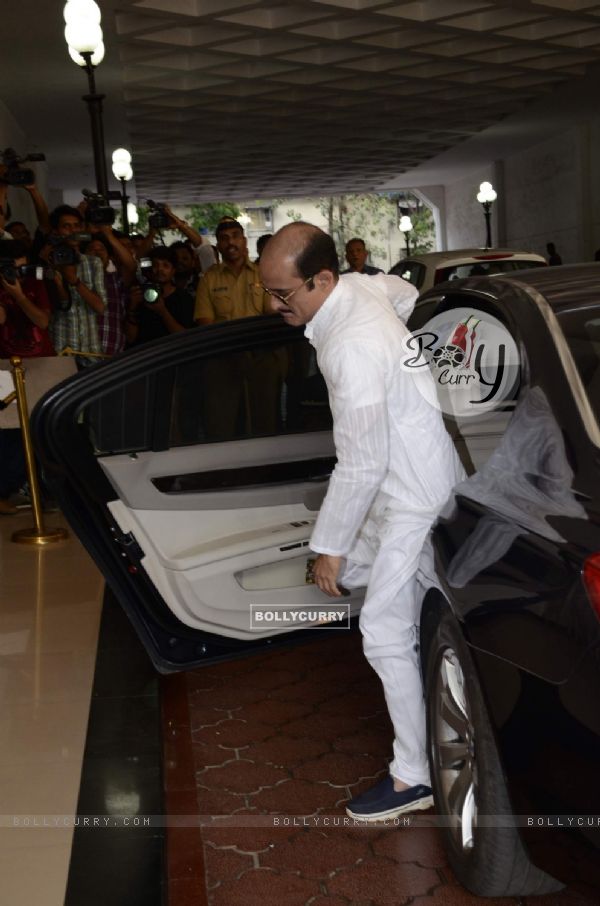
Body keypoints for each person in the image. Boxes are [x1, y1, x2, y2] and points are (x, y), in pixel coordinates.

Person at [260, 222, 464, 820]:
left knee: (380, 626)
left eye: (282, 295)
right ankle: (442, 715)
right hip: (413, 480)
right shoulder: (362, 289)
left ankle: (414, 777)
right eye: (268, 291)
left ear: (322, 279)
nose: (273, 306)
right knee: (415, 608)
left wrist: (330, 547)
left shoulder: (350, 343)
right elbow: (406, 294)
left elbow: (362, 461)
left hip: (411, 499)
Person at [41, 205, 107, 361]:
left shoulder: (93, 262)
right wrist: (50, 267)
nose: (72, 231)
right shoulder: (48, 263)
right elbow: (55, 306)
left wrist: (75, 281)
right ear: (56, 231)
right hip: (61, 349)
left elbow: (100, 307)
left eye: (76, 226)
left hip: (90, 350)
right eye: (66, 226)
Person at [194, 218, 272, 324]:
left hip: (259, 339)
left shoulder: (263, 274)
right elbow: (205, 322)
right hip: (223, 340)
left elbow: (272, 315)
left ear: (245, 241)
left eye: (235, 236)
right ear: (218, 246)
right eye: (224, 238)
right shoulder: (208, 279)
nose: (230, 242)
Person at [82, 227, 137, 355]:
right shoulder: (77, 281)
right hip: (82, 356)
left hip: (112, 358)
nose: (97, 252)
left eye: (101, 249)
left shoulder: (116, 280)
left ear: (109, 257)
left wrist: (108, 233)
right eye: (91, 249)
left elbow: (131, 265)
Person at [125, 246, 195, 346]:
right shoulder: (140, 294)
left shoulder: (184, 298)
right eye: (155, 265)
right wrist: (132, 307)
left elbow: (185, 337)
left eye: (165, 266)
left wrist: (162, 311)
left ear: (173, 270)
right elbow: (130, 338)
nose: (159, 269)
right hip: (144, 355)